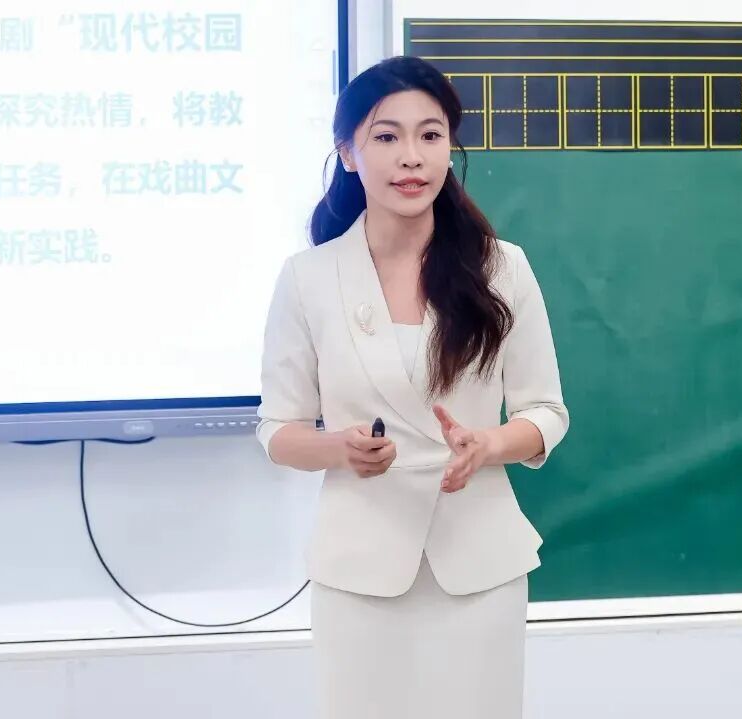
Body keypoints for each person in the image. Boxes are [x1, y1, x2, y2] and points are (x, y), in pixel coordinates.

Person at [254, 55, 569, 719]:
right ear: (348, 152)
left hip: (480, 565)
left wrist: (489, 444)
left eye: (430, 135)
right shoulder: (308, 278)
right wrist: (339, 448)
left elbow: (545, 410)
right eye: (386, 135)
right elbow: (278, 430)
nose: (412, 156)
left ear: (450, 148)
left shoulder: (501, 268)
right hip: (359, 570)